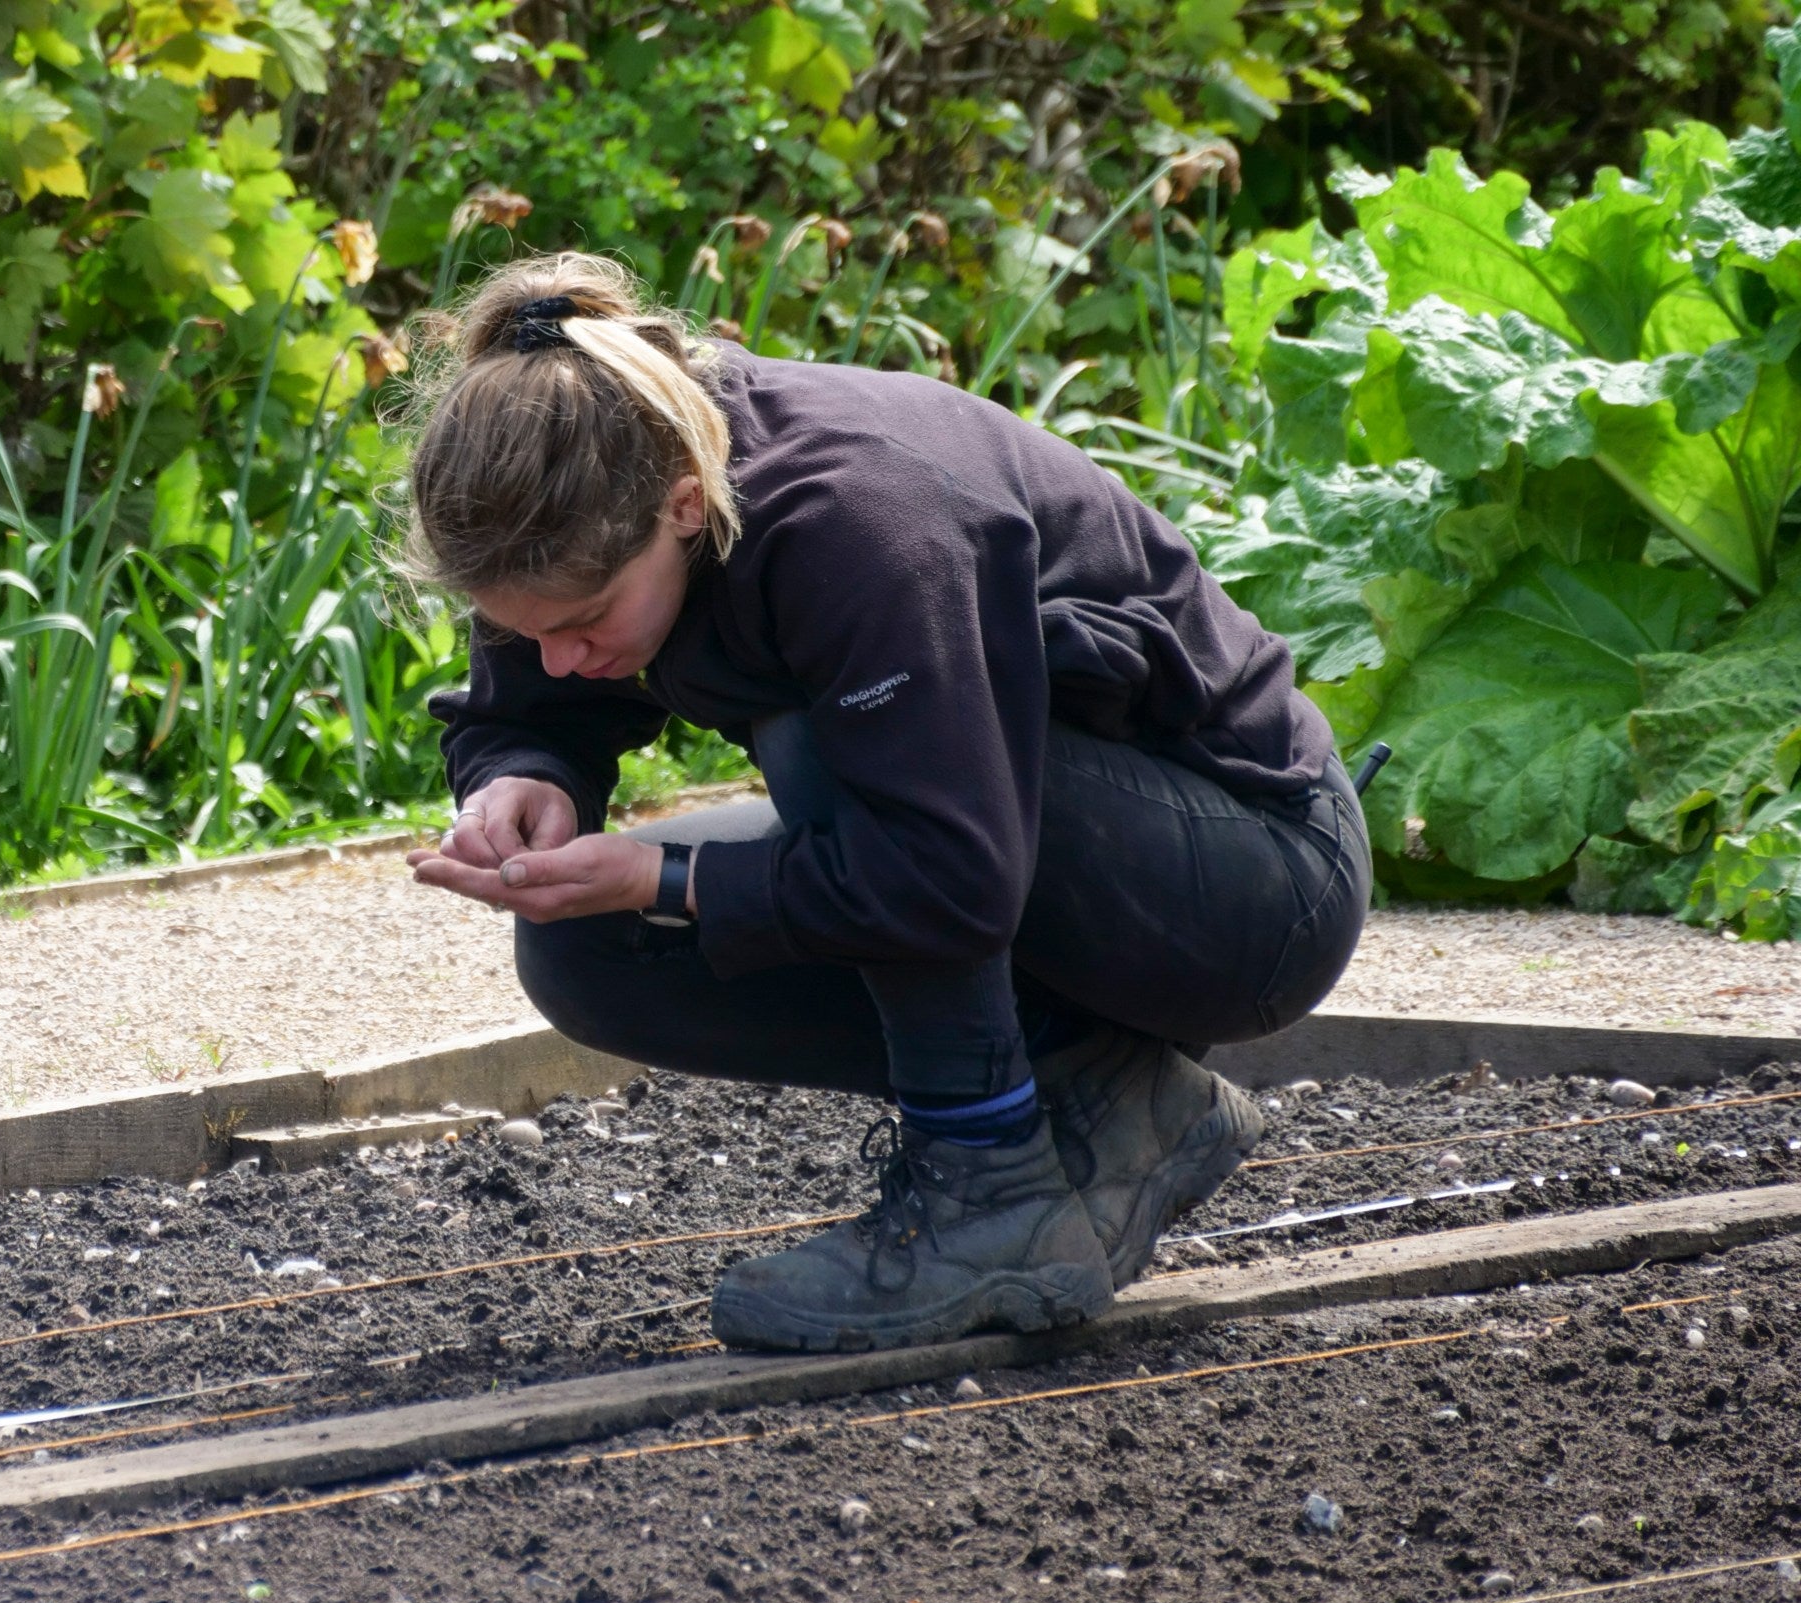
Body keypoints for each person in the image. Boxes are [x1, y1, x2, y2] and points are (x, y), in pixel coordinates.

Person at [396, 252, 1368, 1354]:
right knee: (589, 948)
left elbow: (945, 873)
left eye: (583, 623)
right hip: (1009, 838)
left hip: (1257, 881)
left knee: (824, 738)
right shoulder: (578, 496)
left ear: (682, 506)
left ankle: (987, 1183)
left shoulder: (856, 519)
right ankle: (1110, 1096)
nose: (562, 658)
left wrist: (674, 875)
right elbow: (533, 699)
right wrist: (523, 775)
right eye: (528, 631)